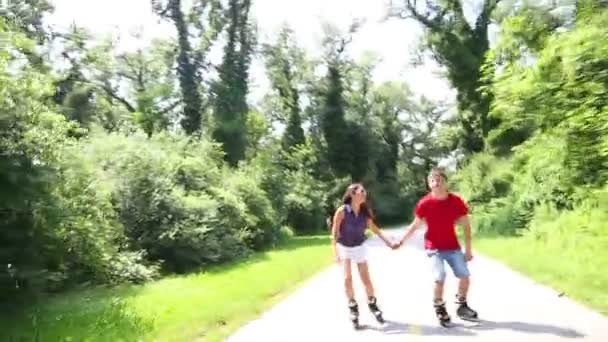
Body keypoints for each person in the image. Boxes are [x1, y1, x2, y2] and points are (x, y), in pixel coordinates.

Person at [394, 167, 478, 326]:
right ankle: (440, 308)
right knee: (439, 278)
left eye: (439, 178)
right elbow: (414, 226)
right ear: (429, 184)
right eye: (432, 179)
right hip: (434, 248)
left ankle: (462, 306)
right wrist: (401, 241)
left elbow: (466, 226)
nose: (436, 181)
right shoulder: (424, 203)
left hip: (452, 246)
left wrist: (468, 249)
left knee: (465, 276)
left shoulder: (456, 201)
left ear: (445, 183)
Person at [331, 183, 395, 329]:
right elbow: (334, 234)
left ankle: (373, 304)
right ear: (352, 194)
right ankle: (353, 308)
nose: (364, 194)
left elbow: (375, 230)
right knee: (347, 279)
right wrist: (335, 253)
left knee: (366, 279)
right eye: (361, 191)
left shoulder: (364, 212)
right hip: (344, 246)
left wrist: (388, 242)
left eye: (364, 191)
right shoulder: (342, 211)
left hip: (359, 246)